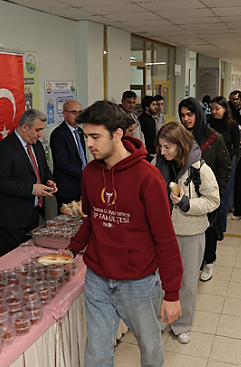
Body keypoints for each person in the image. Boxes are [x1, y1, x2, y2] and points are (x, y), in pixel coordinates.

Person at [63, 100, 183, 367]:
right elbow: (93, 217)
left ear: (117, 134)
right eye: (86, 136)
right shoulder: (91, 172)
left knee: (150, 348)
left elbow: (165, 238)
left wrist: (172, 293)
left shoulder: (148, 177)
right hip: (97, 278)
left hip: (137, 283)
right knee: (96, 352)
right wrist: (72, 248)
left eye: (96, 136)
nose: (89, 144)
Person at [152, 122, 219, 345]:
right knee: (161, 280)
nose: (162, 152)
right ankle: (162, 320)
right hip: (162, 232)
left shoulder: (200, 169)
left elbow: (213, 201)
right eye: (160, 146)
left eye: (167, 147)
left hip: (190, 234)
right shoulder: (157, 164)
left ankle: (182, 325)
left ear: (180, 146)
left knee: (187, 282)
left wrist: (186, 203)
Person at [0, 109, 57, 256]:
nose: (40, 134)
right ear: (25, 127)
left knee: (30, 257)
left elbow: (43, 168)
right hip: (12, 218)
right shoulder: (4, 149)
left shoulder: (36, 145)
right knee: (13, 260)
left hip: (32, 214)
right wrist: (32, 189)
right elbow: (1, 183)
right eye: (38, 130)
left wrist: (49, 180)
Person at [179, 98, 231, 282]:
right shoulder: (179, 137)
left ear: (198, 115)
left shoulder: (214, 138)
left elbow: (225, 167)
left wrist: (220, 192)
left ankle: (209, 261)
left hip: (208, 195)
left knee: (210, 229)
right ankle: (196, 262)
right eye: (183, 115)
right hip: (186, 196)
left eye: (190, 115)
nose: (186, 119)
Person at [209, 96, 240, 237]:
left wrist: (225, 157)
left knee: (223, 198)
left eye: (217, 109)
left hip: (226, 164)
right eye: (212, 109)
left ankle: (220, 229)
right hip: (210, 163)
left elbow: (236, 147)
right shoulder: (209, 123)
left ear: (224, 109)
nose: (214, 112)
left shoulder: (232, 125)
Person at [50, 100, 86, 214]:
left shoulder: (80, 131)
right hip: (67, 188)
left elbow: (81, 157)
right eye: (74, 112)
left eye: (80, 112)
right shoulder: (58, 134)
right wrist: (85, 174)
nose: (78, 115)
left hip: (81, 185)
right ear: (65, 114)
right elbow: (63, 163)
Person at [138, 95, 159, 160]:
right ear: (147, 107)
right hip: (147, 153)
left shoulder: (152, 119)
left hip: (153, 151)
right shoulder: (142, 119)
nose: (156, 107)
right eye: (153, 105)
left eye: (156, 104)